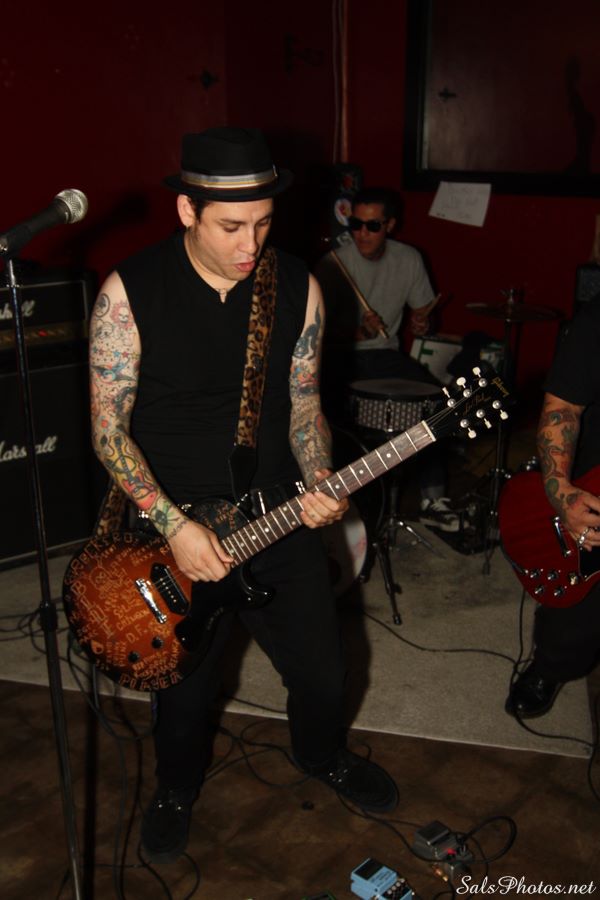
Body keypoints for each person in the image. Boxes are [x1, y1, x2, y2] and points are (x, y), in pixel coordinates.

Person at [89, 127, 398, 864]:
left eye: (262, 224)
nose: (249, 244)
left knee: (324, 669)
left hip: (276, 513)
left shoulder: (297, 286)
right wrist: (170, 524)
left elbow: (304, 407)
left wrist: (321, 478)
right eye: (231, 226)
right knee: (185, 692)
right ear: (187, 211)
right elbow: (106, 431)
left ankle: (321, 754)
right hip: (174, 526)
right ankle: (175, 788)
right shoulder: (129, 293)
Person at [314, 187, 459, 532]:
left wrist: (422, 323)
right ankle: (353, 506)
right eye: (356, 225)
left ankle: (433, 500)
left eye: (373, 226)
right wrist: (358, 333)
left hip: (385, 355)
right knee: (338, 415)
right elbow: (315, 336)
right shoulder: (333, 264)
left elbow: (423, 315)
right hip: (339, 358)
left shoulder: (408, 259)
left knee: (437, 403)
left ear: (390, 225)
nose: (362, 233)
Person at [505, 299, 600, 718]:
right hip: (595, 490)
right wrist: (562, 492)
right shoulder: (597, 318)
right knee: (576, 619)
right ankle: (550, 666)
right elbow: (563, 407)